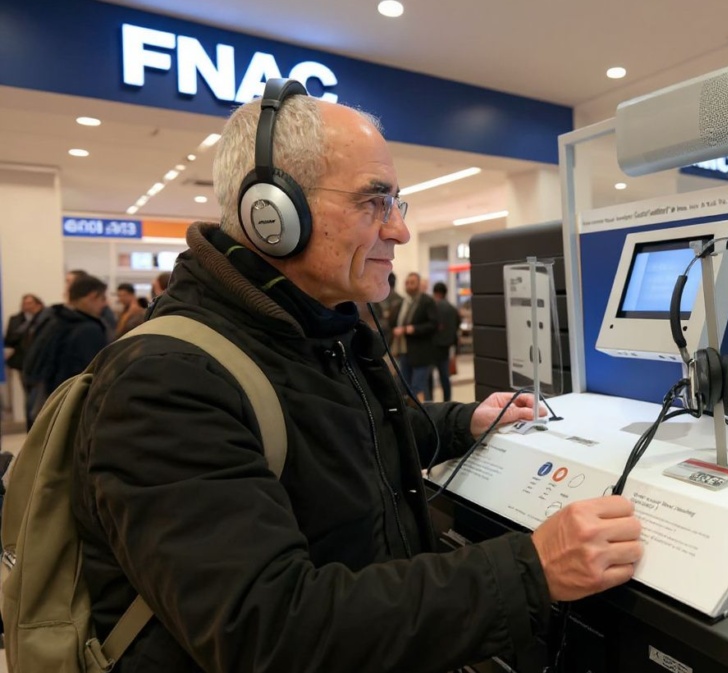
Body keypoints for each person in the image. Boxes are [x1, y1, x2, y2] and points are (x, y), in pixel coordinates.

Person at [70, 81, 643, 673]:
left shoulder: (314, 333)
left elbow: (342, 447)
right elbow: (268, 631)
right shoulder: (166, 382)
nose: (398, 231)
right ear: (272, 214)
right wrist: (531, 569)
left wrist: (461, 422)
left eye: (397, 204)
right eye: (374, 202)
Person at [22, 275, 109, 424]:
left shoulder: (54, 320)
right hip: (74, 409)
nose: (105, 304)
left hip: (51, 404)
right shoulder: (88, 329)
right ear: (92, 296)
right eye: (102, 299)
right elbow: (94, 375)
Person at [391, 271, 437, 401]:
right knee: (405, 387)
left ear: (418, 284)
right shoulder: (403, 303)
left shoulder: (426, 302)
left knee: (418, 387)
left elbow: (433, 324)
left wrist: (413, 329)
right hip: (404, 351)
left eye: (412, 283)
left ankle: (425, 415)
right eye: (407, 283)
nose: (409, 286)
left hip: (421, 352)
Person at [3, 293, 45, 424]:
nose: (26, 306)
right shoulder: (15, 319)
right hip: (23, 363)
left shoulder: (44, 318)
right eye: (25, 303)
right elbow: (9, 339)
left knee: (39, 394)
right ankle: (30, 422)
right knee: (29, 393)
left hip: (40, 362)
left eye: (29, 303)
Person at [431, 281, 460, 402]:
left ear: (435, 293)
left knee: (429, 377)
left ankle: (429, 401)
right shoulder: (453, 309)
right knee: (445, 377)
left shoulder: (433, 307)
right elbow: (457, 325)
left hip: (433, 346)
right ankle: (447, 401)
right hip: (447, 347)